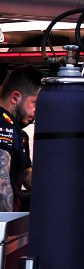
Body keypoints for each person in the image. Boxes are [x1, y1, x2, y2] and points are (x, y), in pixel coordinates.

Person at [0, 66, 40, 212]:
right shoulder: (3, 124)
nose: (38, 111)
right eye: (35, 103)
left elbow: (26, 173)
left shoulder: (20, 134)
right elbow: (1, 183)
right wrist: (6, 227)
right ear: (15, 97)